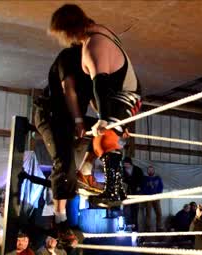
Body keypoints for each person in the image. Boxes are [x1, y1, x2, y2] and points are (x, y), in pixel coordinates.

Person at [49, 3, 142, 207]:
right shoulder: (97, 32)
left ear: (68, 30)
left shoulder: (93, 44)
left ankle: (115, 190)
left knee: (103, 138)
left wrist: (104, 119)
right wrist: (116, 122)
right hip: (119, 97)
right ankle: (87, 172)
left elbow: (100, 84)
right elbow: (99, 89)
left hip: (126, 96)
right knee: (98, 135)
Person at [34, 44, 98, 226]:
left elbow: (94, 99)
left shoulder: (93, 69)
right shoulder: (69, 57)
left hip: (71, 117)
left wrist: (107, 120)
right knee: (64, 162)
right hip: (52, 115)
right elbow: (68, 89)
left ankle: (85, 170)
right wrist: (78, 121)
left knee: (109, 131)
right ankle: (59, 219)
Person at [122, 157, 144, 231]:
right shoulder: (122, 170)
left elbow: (141, 180)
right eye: (124, 164)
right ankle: (126, 225)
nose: (125, 165)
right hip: (126, 192)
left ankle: (135, 227)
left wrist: (139, 187)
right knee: (126, 210)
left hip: (135, 193)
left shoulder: (138, 170)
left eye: (126, 164)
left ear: (130, 163)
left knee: (135, 210)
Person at [143, 165, 163, 231]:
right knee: (148, 213)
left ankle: (159, 227)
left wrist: (158, 194)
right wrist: (148, 193)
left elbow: (161, 187)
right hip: (148, 198)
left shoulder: (158, 178)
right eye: (149, 170)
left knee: (159, 213)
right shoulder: (145, 179)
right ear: (147, 171)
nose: (150, 171)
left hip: (156, 198)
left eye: (151, 169)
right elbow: (143, 188)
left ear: (154, 171)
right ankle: (148, 228)